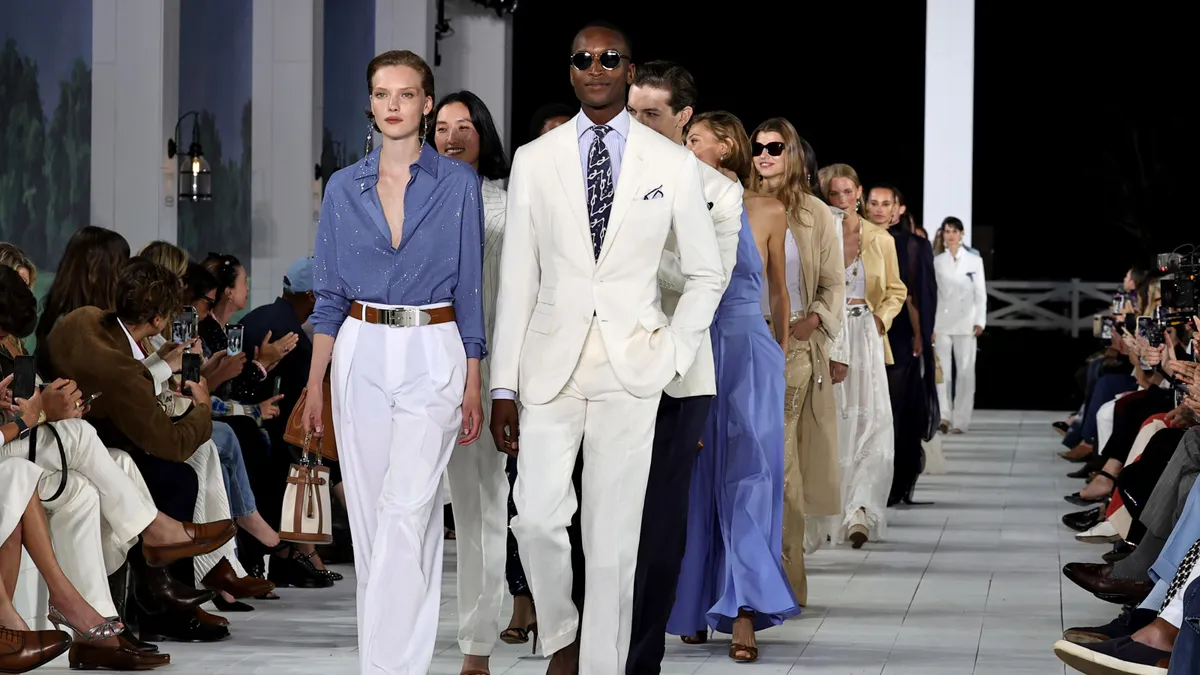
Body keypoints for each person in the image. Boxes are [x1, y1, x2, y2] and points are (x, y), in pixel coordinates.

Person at [488, 21, 725, 675]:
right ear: (571, 71)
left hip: (634, 365)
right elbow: (517, 280)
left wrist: (674, 350)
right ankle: (562, 631)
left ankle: (597, 667)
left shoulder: (671, 164)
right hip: (547, 367)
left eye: (609, 58)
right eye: (583, 58)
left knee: (614, 539)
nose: (596, 66)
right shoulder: (535, 161)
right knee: (535, 519)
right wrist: (502, 386)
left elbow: (707, 273)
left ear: (628, 69)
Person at [302, 49, 486, 675]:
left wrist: (474, 378)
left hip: (435, 345)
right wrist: (313, 387)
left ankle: (390, 668)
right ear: (371, 104)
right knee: (376, 518)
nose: (394, 105)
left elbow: (471, 289)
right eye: (383, 94)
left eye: (406, 95)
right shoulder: (341, 188)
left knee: (409, 510)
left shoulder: (460, 185)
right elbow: (328, 296)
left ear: (426, 103)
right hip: (360, 346)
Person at [621, 63, 745, 672]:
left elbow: (710, 282)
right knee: (583, 518)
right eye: (632, 110)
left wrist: (636, 251)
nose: (637, 123)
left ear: (683, 118)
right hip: (595, 368)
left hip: (678, 373)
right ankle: (584, 641)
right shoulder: (599, 169)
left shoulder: (719, 191)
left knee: (659, 523)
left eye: (651, 114)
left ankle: (641, 658)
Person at [666, 109, 798, 662]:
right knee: (693, 474)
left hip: (749, 350)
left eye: (693, 139)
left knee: (751, 474)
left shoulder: (767, 209)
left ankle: (744, 610)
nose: (684, 145)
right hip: (691, 347)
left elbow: (780, 294)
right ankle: (695, 603)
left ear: (724, 146)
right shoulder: (672, 204)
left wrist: (780, 359)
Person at [430, 89, 513, 675]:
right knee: (450, 509)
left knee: (494, 506)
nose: (452, 136)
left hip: (498, 374)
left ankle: (481, 640)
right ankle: (457, 641)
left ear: (484, 133)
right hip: (428, 369)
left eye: (465, 125)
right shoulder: (413, 198)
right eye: (442, 127)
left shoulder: (509, 201)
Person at [749, 117, 843, 607]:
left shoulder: (816, 215)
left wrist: (810, 324)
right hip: (741, 342)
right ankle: (745, 579)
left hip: (793, 349)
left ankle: (787, 581)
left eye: (775, 147)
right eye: (757, 147)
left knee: (780, 466)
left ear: (794, 155)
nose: (764, 155)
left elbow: (833, 283)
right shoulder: (736, 204)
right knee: (746, 464)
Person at [818, 164, 907, 547]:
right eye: (833, 194)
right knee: (833, 422)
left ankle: (862, 511)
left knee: (872, 424)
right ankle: (828, 511)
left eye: (847, 193)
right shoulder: (816, 232)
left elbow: (895, 290)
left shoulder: (880, 239)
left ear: (859, 192)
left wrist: (880, 321)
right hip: (828, 334)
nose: (841, 200)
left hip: (866, 336)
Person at [867, 184, 939, 506]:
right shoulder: (853, 237)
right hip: (861, 328)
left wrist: (921, 335)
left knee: (896, 410)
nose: (880, 209)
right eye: (874, 203)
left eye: (886, 204)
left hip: (898, 335)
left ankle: (896, 482)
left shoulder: (912, 245)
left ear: (898, 208)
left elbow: (918, 296)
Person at [933, 216, 987, 434]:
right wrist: (931, 327)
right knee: (942, 373)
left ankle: (961, 420)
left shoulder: (974, 261)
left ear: (962, 233)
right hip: (942, 322)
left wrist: (980, 320)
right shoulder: (938, 261)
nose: (951, 235)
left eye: (955, 231)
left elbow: (980, 293)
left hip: (966, 323)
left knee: (965, 373)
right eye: (947, 231)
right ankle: (944, 416)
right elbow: (934, 295)